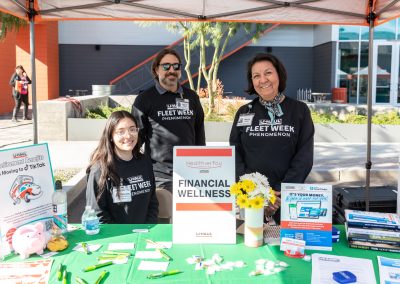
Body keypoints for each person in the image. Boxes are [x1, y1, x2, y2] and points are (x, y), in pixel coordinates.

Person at [229, 53, 314, 224]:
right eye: (256, 76)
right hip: (252, 198)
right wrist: (259, 191)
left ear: (279, 75)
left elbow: (304, 157)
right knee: (252, 244)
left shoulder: (299, 110)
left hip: (288, 198)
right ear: (252, 81)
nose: (263, 80)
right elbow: (235, 154)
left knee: (287, 247)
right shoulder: (244, 112)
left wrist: (280, 192)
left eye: (268, 73)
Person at [131, 48, 205, 219]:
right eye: (166, 66)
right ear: (156, 70)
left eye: (175, 66)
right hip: (160, 175)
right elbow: (137, 139)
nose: (171, 70)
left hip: (190, 172)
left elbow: (199, 134)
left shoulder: (192, 97)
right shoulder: (145, 99)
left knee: (190, 220)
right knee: (163, 220)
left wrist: (202, 165)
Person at [86, 110, 158, 224]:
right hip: (116, 237)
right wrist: (121, 238)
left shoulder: (145, 162)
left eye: (132, 129)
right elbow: (97, 213)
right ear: (110, 136)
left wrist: (147, 229)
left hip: (145, 234)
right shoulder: (100, 169)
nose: (128, 135)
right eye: (121, 132)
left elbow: (152, 203)